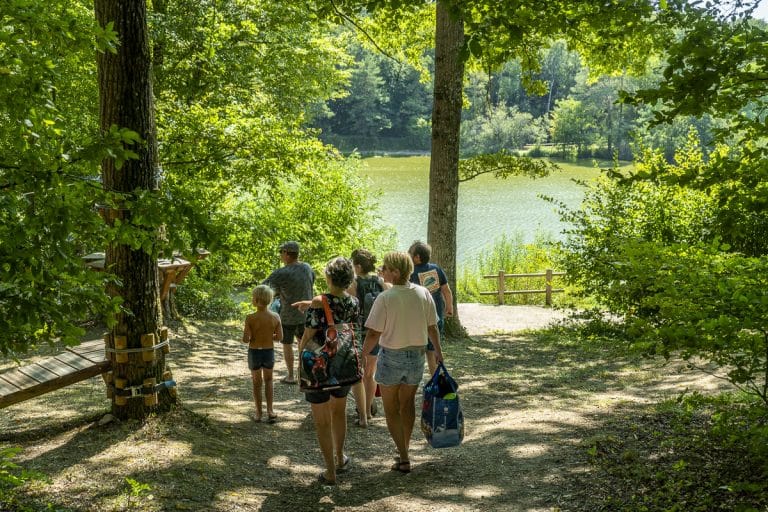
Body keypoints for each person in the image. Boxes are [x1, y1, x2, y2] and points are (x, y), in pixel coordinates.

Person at [362, 251, 444, 474]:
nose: (382, 271)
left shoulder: (386, 298)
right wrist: (438, 351)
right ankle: (403, 449)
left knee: (391, 409)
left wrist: (362, 354)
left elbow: (373, 333)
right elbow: (432, 327)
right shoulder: (422, 293)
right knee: (407, 405)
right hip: (416, 356)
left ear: (396, 272)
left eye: (386, 268)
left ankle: (404, 456)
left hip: (392, 356)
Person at [298, 257, 360, 486]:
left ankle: (330, 471)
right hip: (344, 365)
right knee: (339, 413)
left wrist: (300, 352)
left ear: (329, 277)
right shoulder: (354, 302)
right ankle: (340, 457)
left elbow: (308, 333)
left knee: (322, 420)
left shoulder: (318, 301)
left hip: (319, 365)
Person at [347, 249, 390, 425]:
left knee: (359, 372)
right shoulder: (381, 281)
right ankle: (369, 409)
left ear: (357, 266)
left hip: (359, 332)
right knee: (370, 373)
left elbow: (349, 307)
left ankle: (362, 412)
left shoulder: (353, 283)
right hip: (377, 331)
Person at [262, 241, 315, 384]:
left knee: (287, 344)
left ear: (286, 253)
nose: (280, 255)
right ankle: (303, 374)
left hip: (288, 316)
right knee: (303, 344)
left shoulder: (281, 272)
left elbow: (263, 289)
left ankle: (291, 376)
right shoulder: (307, 268)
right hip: (306, 314)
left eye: (281, 252)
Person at [408, 240, 454, 375]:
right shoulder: (436, 269)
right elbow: (446, 290)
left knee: (419, 350)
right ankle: (435, 379)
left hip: (418, 318)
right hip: (436, 315)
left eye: (410, 253)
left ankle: (416, 378)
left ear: (416, 257)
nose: (408, 255)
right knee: (433, 349)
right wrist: (449, 307)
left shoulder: (410, 273)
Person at [241, 284, 283, 423]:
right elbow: (280, 337)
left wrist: (253, 336)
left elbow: (246, 339)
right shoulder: (275, 317)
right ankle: (270, 410)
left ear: (257, 300)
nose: (252, 299)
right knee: (269, 380)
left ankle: (258, 412)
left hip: (254, 353)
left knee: (256, 382)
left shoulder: (250, 318)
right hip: (268, 352)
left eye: (253, 297)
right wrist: (268, 336)